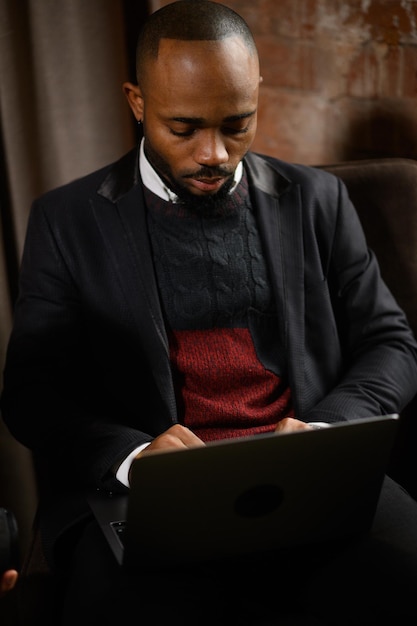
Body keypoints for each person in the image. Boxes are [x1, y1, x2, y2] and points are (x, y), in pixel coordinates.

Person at [2, 0, 417, 624]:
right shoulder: (67, 220)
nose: (215, 154)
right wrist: (134, 458)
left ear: (256, 94)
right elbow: (32, 392)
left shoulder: (320, 200)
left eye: (237, 124)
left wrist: (325, 433)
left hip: (308, 479)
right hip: (147, 495)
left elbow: (391, 342)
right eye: (185, 127)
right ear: (137, 102)